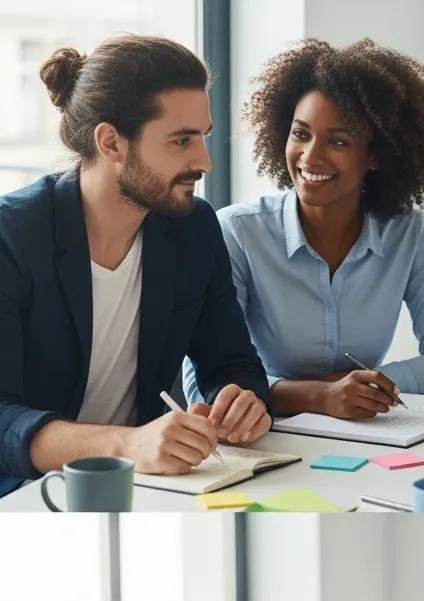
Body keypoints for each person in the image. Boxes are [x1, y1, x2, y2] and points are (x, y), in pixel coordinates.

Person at [0, 36, 273, 499]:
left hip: (147, 489)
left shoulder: (193, 229)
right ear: (111, 142)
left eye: (203, 136)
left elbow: (230, 360)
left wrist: (242, 399)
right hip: (28, 495)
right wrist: (127, 444)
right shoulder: (13, 236)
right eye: (181, 140)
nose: (202, 161)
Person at [184, 38, 424, 420]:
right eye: (300, 134)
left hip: (365, 436)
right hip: (264, 436)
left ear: (375, 155)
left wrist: (365, 384)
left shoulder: (409, 235)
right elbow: (204, 381)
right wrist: (319, 395)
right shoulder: (238, 232)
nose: (311, 156)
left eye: (337, 141)